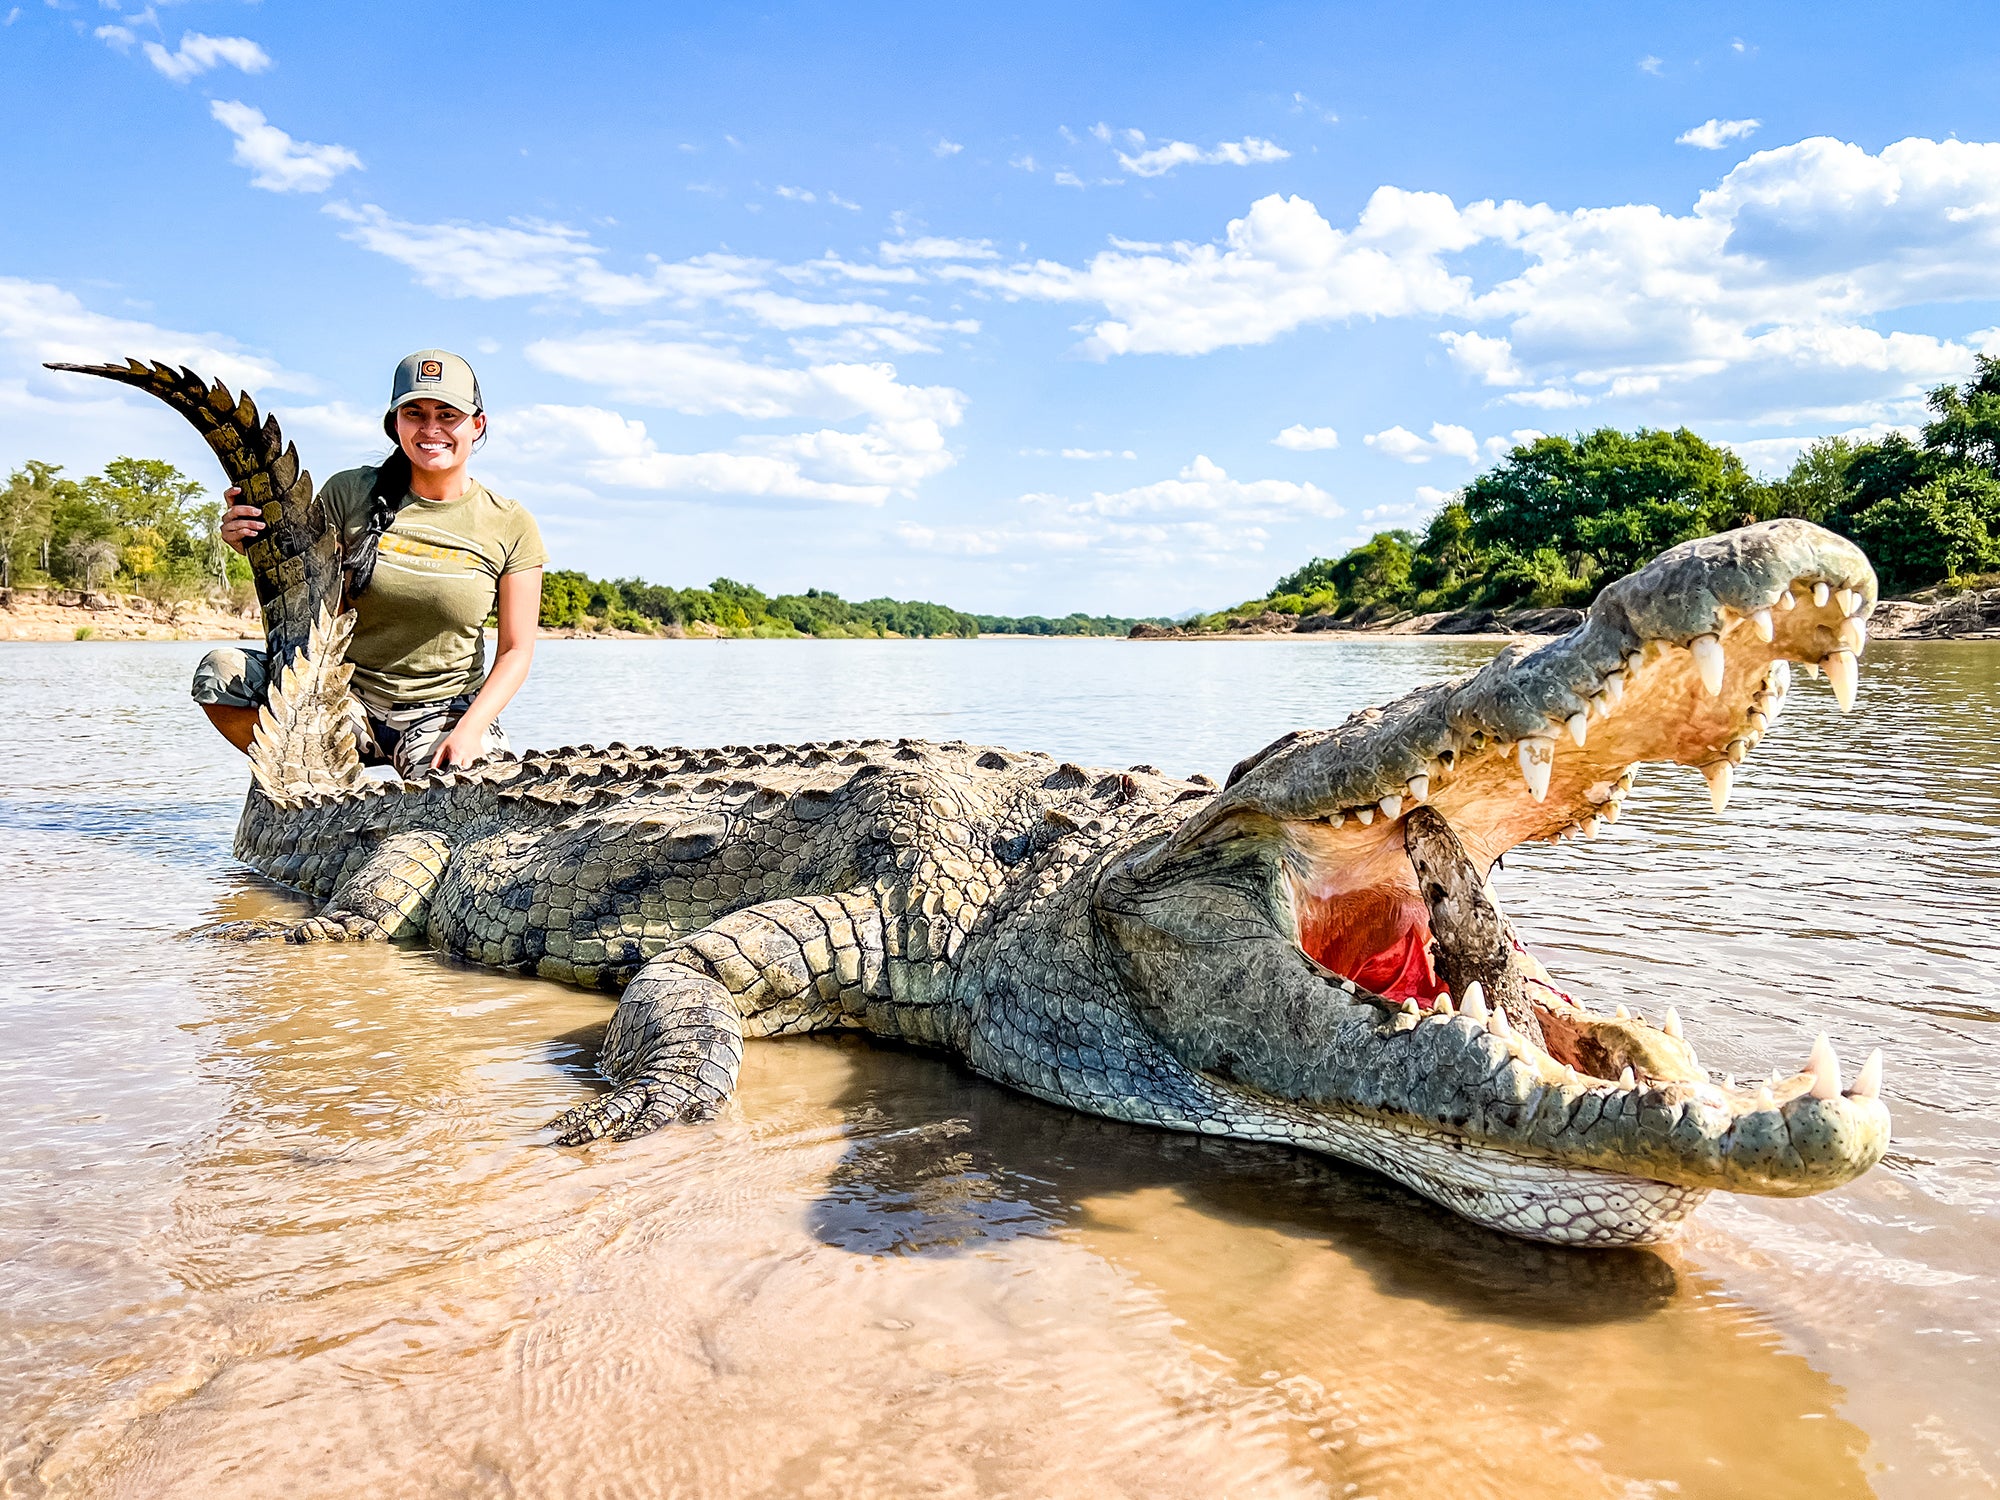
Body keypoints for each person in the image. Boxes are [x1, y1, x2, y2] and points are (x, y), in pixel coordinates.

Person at [191, 349, 546, 776]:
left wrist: (471, 730)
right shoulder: (349, 492)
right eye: (414, 413)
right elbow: (306, 578)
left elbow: (516, 651)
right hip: (340, 697)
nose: (431, 428)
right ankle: (311, 786)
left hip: (440, 711)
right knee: (220, 673)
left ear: (477, 424)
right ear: (395, 424)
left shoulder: (510, 522)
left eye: (447, 415)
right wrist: (249, 538)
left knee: (464, 801)